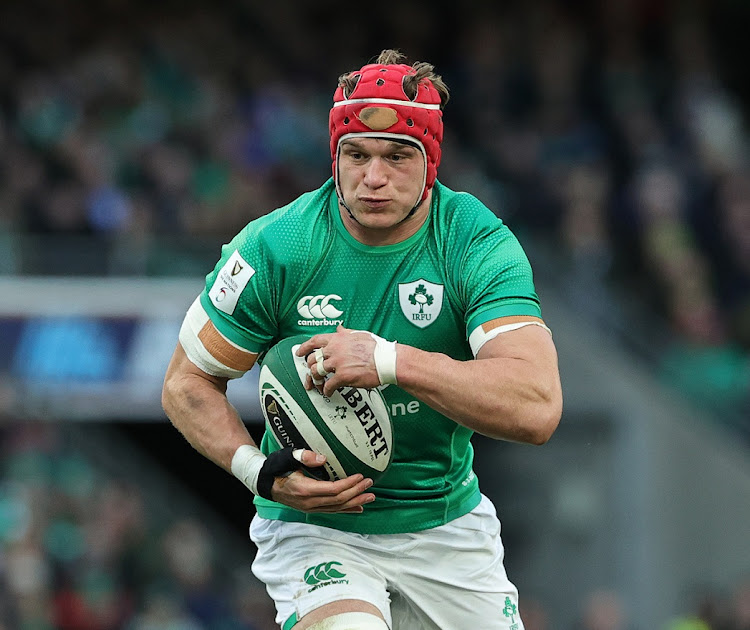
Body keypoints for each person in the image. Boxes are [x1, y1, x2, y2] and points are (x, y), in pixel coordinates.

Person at [162, 49, 563, 630]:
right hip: (314, 532)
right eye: (356, 155)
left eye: (398, 157)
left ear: (431, 161)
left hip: (445, 523)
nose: (373, 177)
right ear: (335, 155)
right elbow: (186, 382)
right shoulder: (278, 246)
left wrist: (390, 361)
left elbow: (538, 405)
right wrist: (256, 469)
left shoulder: (475, 242)